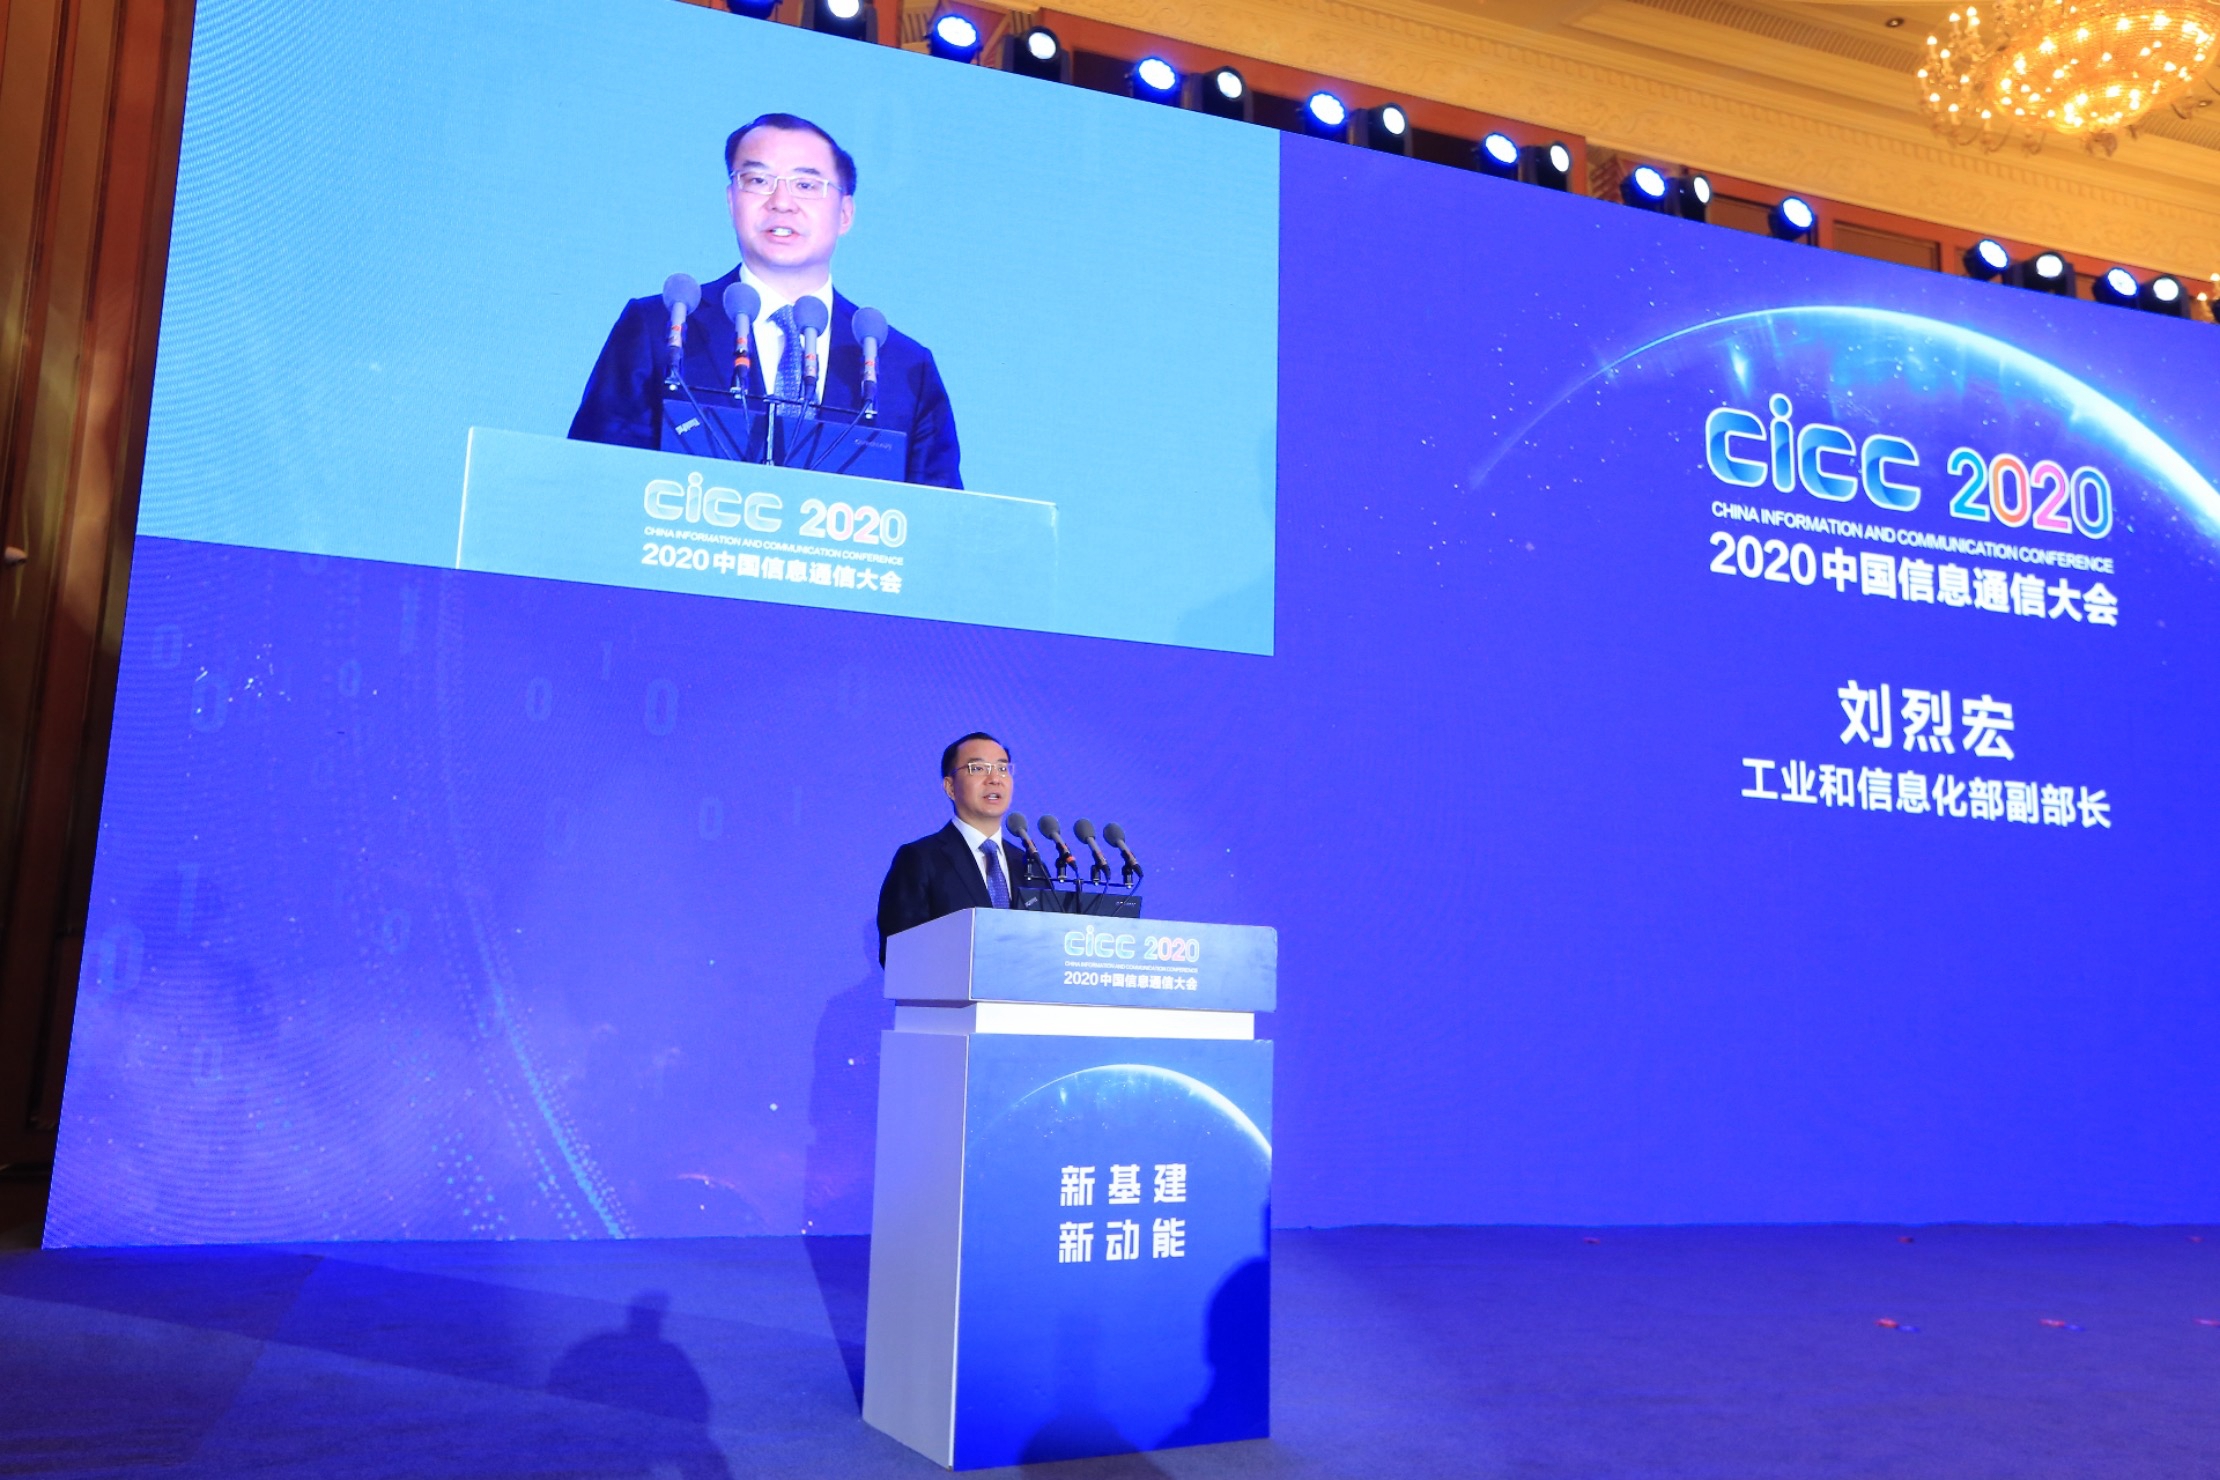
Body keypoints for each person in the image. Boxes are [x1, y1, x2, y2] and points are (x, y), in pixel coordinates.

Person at [568, 112, 962, 489]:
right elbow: (592, 483)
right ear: (731, 201)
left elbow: (938, 520)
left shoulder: (904, 367)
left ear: (845, 213)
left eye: (806, 185)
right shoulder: (661, 327)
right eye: (758, 180)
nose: (781, 202)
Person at [877, 733, 1020, 964]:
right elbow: (898, 955)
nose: (995, 778)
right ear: (950, 787)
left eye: (1002, 769)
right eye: (978, 768)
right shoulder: (919, 859)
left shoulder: (1028, 864)